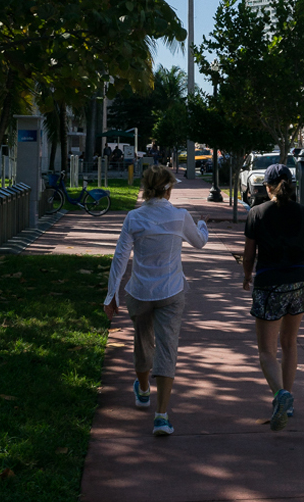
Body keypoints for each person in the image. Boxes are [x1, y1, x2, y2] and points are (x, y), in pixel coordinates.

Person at [104, 164, 208, 436]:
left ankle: (143, 390)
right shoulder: (180, 216)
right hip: (171, 292)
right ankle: (161, 416)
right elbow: (199, 242)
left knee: (142, 343)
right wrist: (202, 226)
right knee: (167, 348)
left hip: (139, 292)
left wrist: (111, 294)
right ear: (169, 188)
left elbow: (119, 257)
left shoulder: (134, 217)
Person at [242, 163, 304, 431]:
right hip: (299, 282)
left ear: (266, 188)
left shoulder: (256, 214)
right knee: (289, 343)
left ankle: (280, 395)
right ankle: (290, 398)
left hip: (269, 284)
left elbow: (249, 255)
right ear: (292, 184)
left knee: (266, 350)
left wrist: (246, 276)